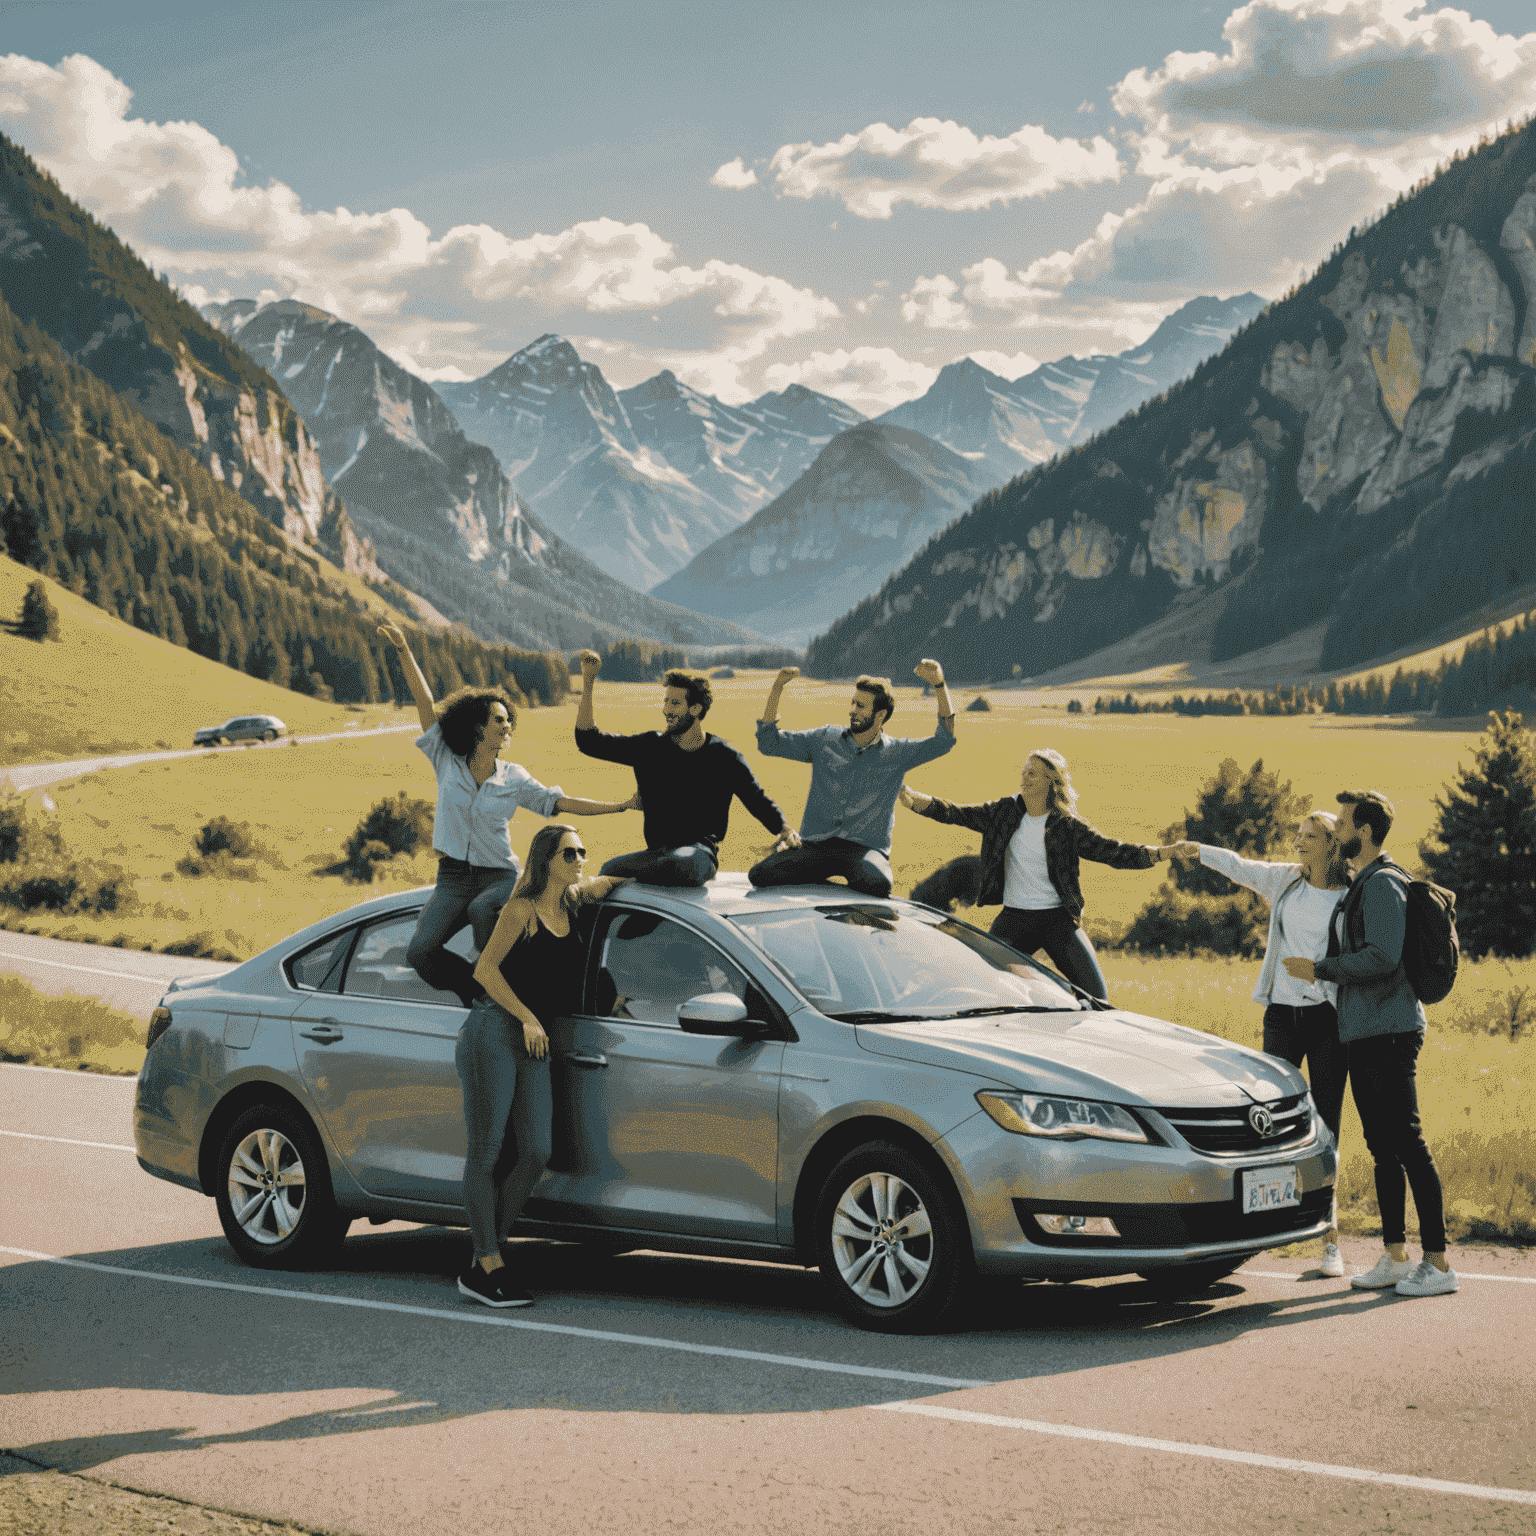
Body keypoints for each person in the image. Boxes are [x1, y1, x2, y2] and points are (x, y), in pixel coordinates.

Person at [380, 623, 636, 1006]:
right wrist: (403, 650)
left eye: (508, 719)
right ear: (477, 727)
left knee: (484, 909)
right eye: (499, 720)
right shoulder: (446, 760)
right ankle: (475, 992)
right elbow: (423, 700)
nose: (507, 725)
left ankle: (500, 993)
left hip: (497, 875)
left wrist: (619, 806)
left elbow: (560, 803)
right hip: (451, 877)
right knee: (420, 951)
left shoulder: (514, 778)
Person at [1283, 790, 1457, 1299]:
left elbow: (1382, 956)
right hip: (1364, 1030)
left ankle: (1440, 1263)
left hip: (1391, 1030)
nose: (1336, 830)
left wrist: (1322, 969)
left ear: (1363, 832)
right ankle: (1396, 1256)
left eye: (1342, 822)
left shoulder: (1381, 884)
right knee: (1383, 1147)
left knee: (1408, 1143)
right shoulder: (1364, 882)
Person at [1168, 812, 1352, 1277]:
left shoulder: (1353, 896)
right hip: (1282, 1015)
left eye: (1310, 838)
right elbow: (1240, 866)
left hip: (1328, 1019)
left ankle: (1330, 1239)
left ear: (1333, 845)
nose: (1299, 843)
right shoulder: (1286, 882)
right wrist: (1198, 850)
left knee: (1326, 1125)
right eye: (1298, 836)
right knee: (1265, 1117)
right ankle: (1265, 1220)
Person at [455, 823, 629, 1307]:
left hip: (534, 1040)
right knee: (486, 1151)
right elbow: (484, 970)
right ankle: (489, 1262)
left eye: (582, 851)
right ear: (546, 861)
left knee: (535, 1151)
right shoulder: (520, 911)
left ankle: (483, 1261)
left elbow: (609, 882)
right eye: (569, 853)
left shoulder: (570, 905)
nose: (579, 860)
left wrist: (626, 876)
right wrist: (529, 1018)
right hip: (495, 1032)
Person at [899, 749, 1182, 1000]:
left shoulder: (1067, 826)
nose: (1024, 777)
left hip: (1058, 921)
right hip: (1014, 920)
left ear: (1052, 781)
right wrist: (916, 801)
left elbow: (1113, 852)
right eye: (1023, 772)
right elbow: (958, 813)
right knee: (985, 989)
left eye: (1032, 773)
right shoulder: (1004, 813)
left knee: (1098, 998)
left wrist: (1163, 853)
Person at [573, 651, 792, 886]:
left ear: (696, 709)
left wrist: (784, 830)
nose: (666, 709)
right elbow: (589, 742)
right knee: (609, 871)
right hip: (657, 853)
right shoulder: (649, 747)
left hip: (698, 853)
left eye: (675, 702)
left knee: (681, 864)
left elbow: (756, 799)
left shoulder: (725, 757)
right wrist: (588, 680)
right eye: (666, 701)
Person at [749, 662, 957, 897]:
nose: (852, 710)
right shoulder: (824, 739)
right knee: (760, 875)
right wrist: (777, 688)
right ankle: (818, 885)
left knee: (877, 883)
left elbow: (944, 741)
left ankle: (827, 894)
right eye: (853, 703)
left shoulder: (897, 753)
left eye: (860, 706)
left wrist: (939, 685)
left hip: (865, 849)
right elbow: (769, 743)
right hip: (816, 844)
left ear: (880, 714)